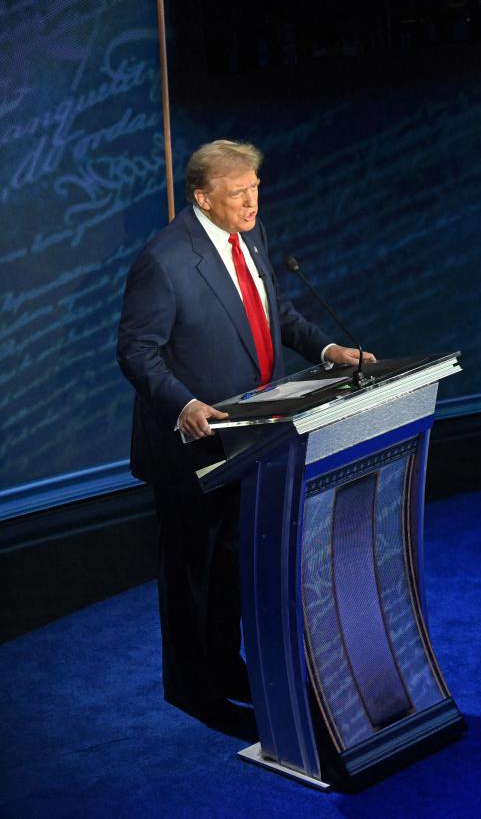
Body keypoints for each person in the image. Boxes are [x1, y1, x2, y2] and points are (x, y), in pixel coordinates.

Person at [116, 139, 372, 732]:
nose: (252, 202)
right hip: (192, 444)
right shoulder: (165, 260)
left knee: (233, 563)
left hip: (255, 435)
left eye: (256, 189)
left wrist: (328, 350)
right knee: (193, 572)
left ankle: (226, 667)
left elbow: (274, 311)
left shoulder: (247, 236)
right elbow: (136, 350)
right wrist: (184, 404)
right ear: (203, 197)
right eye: (239, 193)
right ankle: (192, 689)